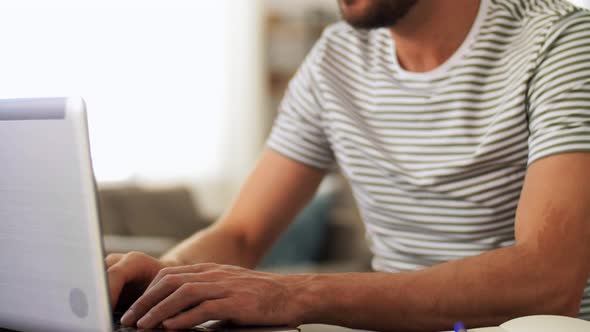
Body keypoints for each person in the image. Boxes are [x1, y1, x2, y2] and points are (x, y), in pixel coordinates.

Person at [106, 0, 590, 330]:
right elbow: (241, 235)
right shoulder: (335, 60)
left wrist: (293, 293)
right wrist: (166, 277)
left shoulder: (562, 41)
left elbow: (548, 281)